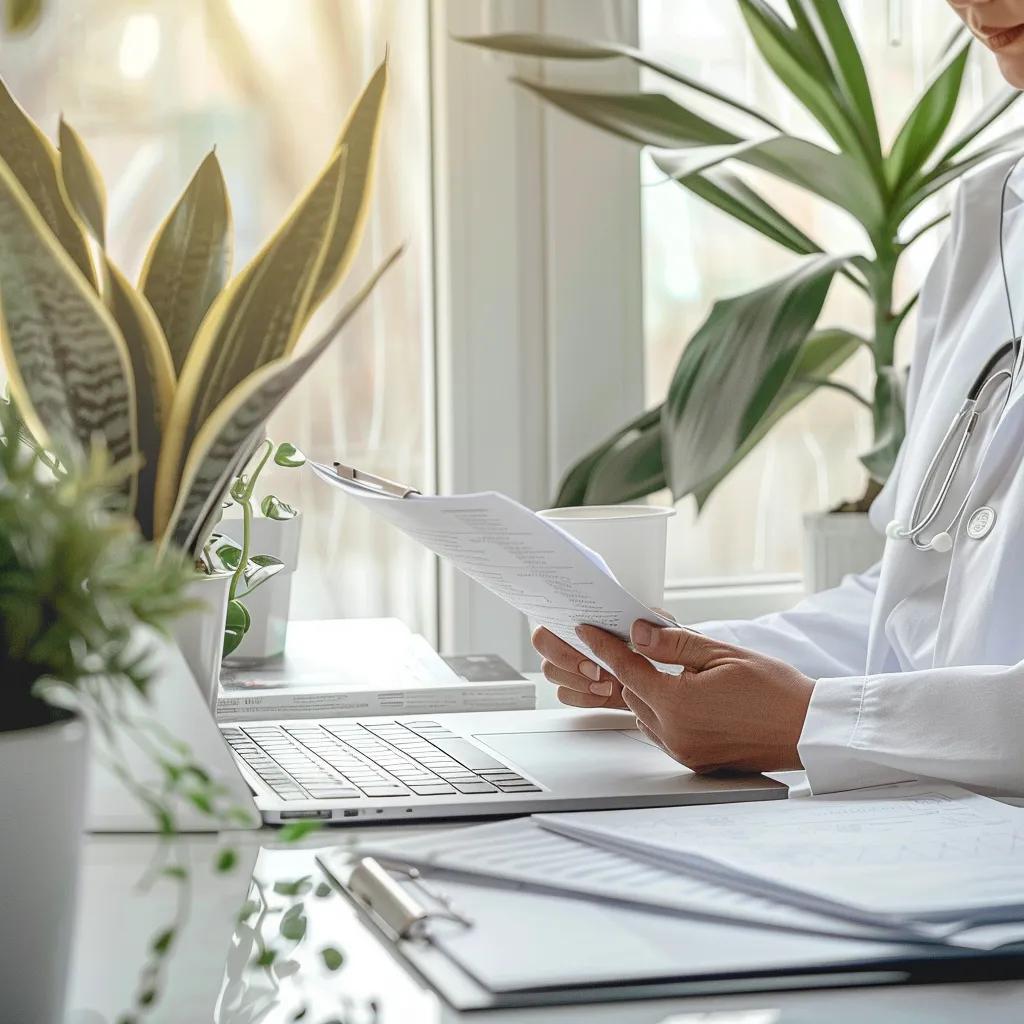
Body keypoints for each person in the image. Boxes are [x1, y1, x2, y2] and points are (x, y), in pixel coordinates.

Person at [532, 0, 1024, 798]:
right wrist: (671, 661)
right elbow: (911, 609)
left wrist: (813, 725)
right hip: (934, 842)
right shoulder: (987, 214)